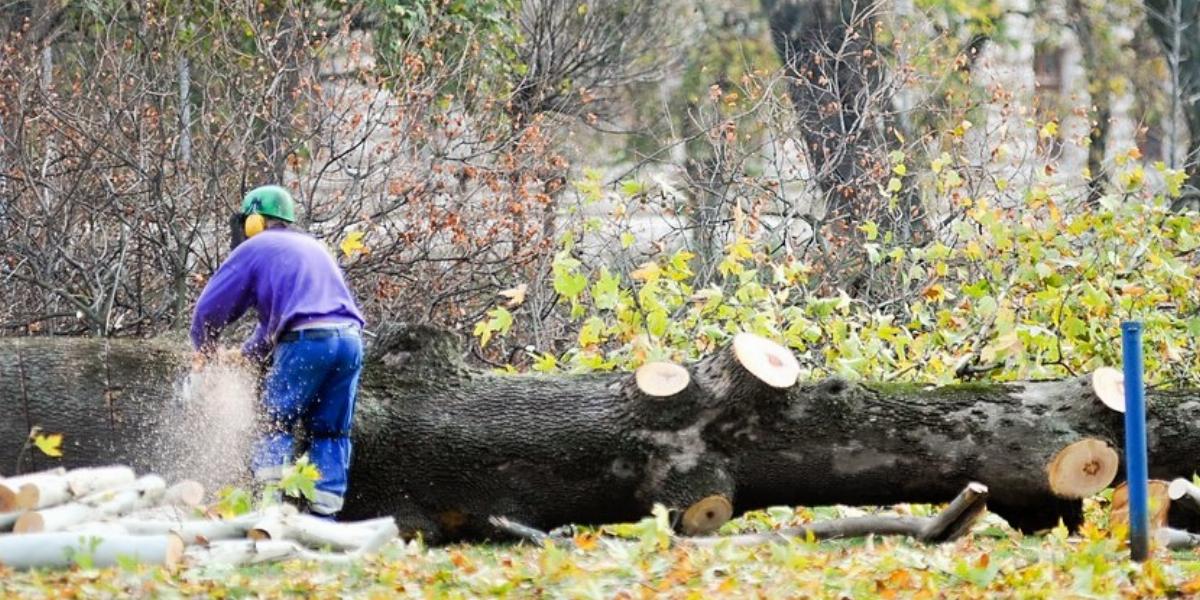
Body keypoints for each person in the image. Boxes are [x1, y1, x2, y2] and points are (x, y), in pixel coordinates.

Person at [190, 185, 365, 518]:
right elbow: (276, 324)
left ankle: (267, 508)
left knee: (274, 423)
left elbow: (208, 311)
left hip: (306, 342)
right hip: (350, 340)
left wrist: (205, 352)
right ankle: (323, 518)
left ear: (254, 220)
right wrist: (246, 355)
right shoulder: (313, 247)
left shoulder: (257, 246)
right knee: (331, 430)